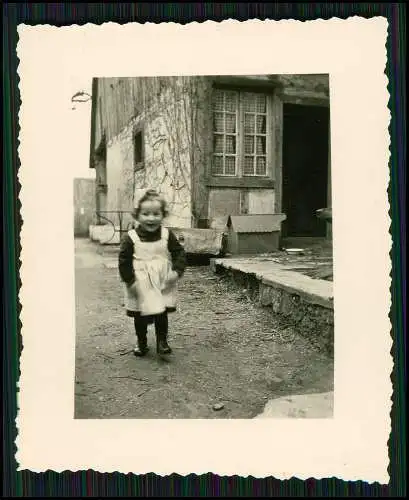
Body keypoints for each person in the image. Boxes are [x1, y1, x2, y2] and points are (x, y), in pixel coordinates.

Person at [118, 189, 186, 357]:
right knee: (140, 315)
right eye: (146, 213)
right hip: (139, 281)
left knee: (161, 313)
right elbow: (124, 261)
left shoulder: (166, 235)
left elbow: (179, 253)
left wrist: (176, 271)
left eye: (156, 214)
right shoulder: (131, 237)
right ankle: (141, 342)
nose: (151, 218)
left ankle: (162, 341)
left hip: (162, 281)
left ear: (163, 215)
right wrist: (130, 281)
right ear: (137, 215)